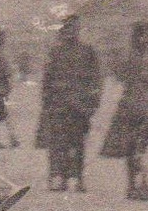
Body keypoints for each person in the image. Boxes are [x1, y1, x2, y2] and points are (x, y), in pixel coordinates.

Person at [36, 13, 102, 193]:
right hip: (59, 105)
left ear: (78, 30)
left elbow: (96, 79)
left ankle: (79, 178)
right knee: (59, 143)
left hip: (79, 106)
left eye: (75, 28)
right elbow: (47, 80)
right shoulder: (55, 52)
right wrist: (47, 102)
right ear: (64, 30)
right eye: (69, 28)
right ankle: (61, 178)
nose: (72, 31)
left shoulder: (88, 52)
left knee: (79, 143)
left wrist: (92, 103)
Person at [101, 22, 148, 201]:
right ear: (138, 37)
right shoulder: (135, 59)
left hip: (146, 108)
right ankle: (138, 185)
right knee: (135, 148)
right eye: (145, 35)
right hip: (134, 108)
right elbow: (122, 76)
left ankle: (136, 185)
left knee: (138, 148)